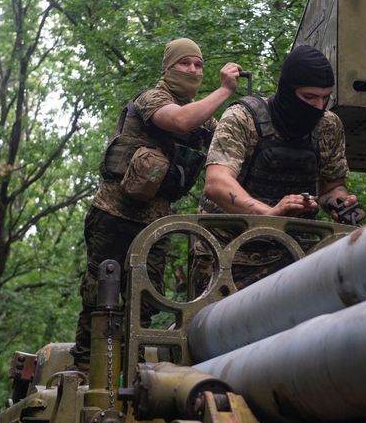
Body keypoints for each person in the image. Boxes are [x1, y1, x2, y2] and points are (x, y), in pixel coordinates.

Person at [70, 37, 243, 370]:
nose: (192, 70)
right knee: (99, 296)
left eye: (198, 65)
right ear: (168, 67)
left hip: (155, 225)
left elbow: (229, 147)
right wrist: (224, 91)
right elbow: (179, 121)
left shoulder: (205, 122)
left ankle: (131, 370)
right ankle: (84, 369)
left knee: (145, 302)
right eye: (184, 63)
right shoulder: (152, 99)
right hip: (114, 215)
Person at [191, 44, 362, 294]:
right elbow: (216, 184)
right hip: (228, 255)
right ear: (287, 90)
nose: (318, 107)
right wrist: (270, 214)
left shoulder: (328, 126)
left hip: (295, 255)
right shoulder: (243, 118)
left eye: (325, 98)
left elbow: (331, 186)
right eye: (309, 97)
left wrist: (341, 203)